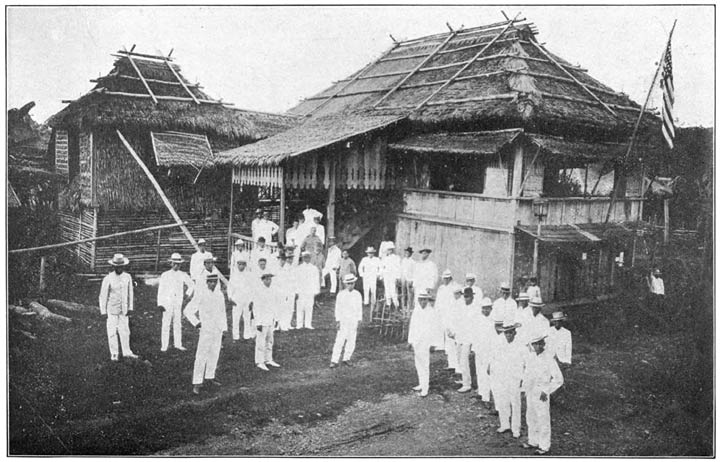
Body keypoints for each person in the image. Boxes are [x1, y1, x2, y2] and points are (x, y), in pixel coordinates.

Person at [184, 273, 227, 395]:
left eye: (215, 281)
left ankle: (210, 377)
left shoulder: (219, 295)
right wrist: (197, 323)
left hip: (217, 330)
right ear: (206, 282)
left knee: (214, 354)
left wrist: (224, 329)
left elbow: (223, 313)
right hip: (206, 330)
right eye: (210, 282)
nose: (213, 284)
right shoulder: (201, 294)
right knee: (201, 355)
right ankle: (197, 382)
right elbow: (187, 311)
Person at [522, 333, 564, 455]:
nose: (537, 346)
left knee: (543, 418)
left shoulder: (549, 359)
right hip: (531, 391)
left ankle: (544, 446)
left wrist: (546, 390)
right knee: (531, 417)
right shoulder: (531, 357)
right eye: (535, 344)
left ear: (544, 344)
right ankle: (533, 441)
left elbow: (558, 379)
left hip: (542, 392)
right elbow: (527, 374)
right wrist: (525, 389)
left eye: (540, 344)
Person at [99, 253, 138, 361]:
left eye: (121, 266)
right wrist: (103, 311)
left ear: (123, 266)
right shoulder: (108, 278)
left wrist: (130, 308)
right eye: (117, 266)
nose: (119, 268)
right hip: (112, 309)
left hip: (124, 309)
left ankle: (127, 352)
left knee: (125, 330)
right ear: (113, 266)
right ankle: (114, 353)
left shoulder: (127, 277)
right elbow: (103, 296)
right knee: (112, 331)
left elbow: (130, 293)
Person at [491, 320, 526, 438]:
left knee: (515, 403)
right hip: (502, 376)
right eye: (506, 333)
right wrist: (491, 368)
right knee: (502, 400)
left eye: (510, 332)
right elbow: (495, 358)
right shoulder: (500, 343)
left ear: (515, 333)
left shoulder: (521, 345)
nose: (508, 335)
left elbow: (526, 363)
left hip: (515, 377)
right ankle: (504, 424)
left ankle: (516, 429)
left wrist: (523, 377)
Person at [407, 291, 442, 397]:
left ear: (427, 300)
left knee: (425, 364)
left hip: (426, 342)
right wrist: (410, 341)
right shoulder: (416, 310)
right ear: (418, 300)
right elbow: (412, 326)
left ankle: (425, 388)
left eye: (425, 300)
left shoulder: (431, 312)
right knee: (418, 363)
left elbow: (435, 328)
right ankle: (421, 384)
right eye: (421, 300)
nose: (423, 302)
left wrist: (434, 344)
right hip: (417, 341)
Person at [157, 253, 194, 352]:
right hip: (167, 302)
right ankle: (164, 346)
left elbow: (191, 285)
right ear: (171, 263)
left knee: (177, 323)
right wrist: (160, 303)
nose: (176, 266)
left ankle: (178, 344)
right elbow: (161, 290)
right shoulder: (165, 275)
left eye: (178, 264)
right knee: (166, 323)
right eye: (174, 263)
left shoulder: (183, 275)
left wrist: (186, 295)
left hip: (178, 302)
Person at [330, 274, 363, 368]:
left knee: (351, 340)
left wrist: (359, 319)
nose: (350, 285)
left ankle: (346, 358)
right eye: (348, 283)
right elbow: (338, 308)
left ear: (354, 283)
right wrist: (338, 320)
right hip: (344, 320)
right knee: (340, 340)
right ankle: (334, 360)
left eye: (352, 283)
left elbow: (359, 308)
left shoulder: (357, 294)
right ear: (345, 284)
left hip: (353, 320)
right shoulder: (341, 295)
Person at [252, 272, 282, 371]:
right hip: (262, 320)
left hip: (270, 319)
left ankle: (268, 359)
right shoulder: (258, 291)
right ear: (263, 280)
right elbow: (256, 308)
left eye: (270, 279)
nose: (269, 281)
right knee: (261, 342)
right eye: (267, 279)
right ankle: (259, 361)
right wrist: (258, 322)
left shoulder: (273, 291)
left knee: (270, 341)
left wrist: (276, 318)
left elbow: (275, 305)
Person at [470, 297, 496, 408]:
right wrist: (473, 349)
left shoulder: (493, 321)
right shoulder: (478, 320)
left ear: (491, 309)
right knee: (479, 372)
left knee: (486, 374)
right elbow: (475, 335)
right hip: (479, 350)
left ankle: (486, 398)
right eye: (484, 308)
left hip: (488, 351)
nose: (486, 310)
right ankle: (481, 393)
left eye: (488, 308)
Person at [453, 287, 478, 393]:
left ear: (472, 296)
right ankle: (464, 379)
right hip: (460, 337)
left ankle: (467, 384)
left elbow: (476, 326)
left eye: (468, 296)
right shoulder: (461, 307)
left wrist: (473, 342)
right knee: (459, 359)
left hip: (469, 338)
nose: (466, 298)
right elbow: (457, 321)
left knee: (464, 361)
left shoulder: (475, 309)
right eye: (465, 296)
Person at [436, 270, 460, 371]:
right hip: (444, 316)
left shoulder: (456, 287)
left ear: (450, 278)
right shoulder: (441, 288)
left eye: (447, 278)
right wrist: (437, 313)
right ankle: (451, 364)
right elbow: (438, 303)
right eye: (444, 278)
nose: (445, 280)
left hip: (453, 316)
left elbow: (457, 302)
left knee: (454, 338)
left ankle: (457, 365)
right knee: (448, 339)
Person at [228, 256, 255, 340]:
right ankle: (235, 336)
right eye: (239, 264)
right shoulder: (234, 275)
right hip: (237, 299)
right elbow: (230, 287)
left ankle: (247, 335)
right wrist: (230, 298)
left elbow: (252, 288)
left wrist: (251, 300)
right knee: (236, 318)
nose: (241, 266)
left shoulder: (249, 275)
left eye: (243, 265)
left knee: (247, 317)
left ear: (245, 265)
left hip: (247, 299)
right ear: (237, 265)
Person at [295, 251, 320, 329]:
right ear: (303, 258)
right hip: (301, 290)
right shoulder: (299, 268)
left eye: (308, 257)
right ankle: (299, 324)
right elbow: (296, 280)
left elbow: (316, 280)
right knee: (300, 307)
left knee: (309, 307)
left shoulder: (314, 268)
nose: (306, 259)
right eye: (305, 257)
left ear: (310, 258)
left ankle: (308, 324)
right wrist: (296, 291)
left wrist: (316, 290)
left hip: (310, 290)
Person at [275, 252, 297, 331]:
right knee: (278, 308)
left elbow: (290, 281)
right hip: (278, 291)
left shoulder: (288, 268)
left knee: (287, 308)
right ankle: (277, 325)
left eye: (284, 260)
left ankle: (286, 324)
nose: (282, 261)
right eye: (281, 259)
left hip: (287, 290)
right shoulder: (275, 269)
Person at [380, 243, 401, 309]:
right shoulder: (385, 259)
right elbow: (382, 268)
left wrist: (398, 277)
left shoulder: (396, 258)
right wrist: (381, 276)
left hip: (393, 275)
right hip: (386, 275)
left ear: (392, 250)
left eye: (390, 250)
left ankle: (396, 305)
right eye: (387, 250)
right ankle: (388, 304)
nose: (388, 251)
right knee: (387, 290)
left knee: (393, 290)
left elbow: (398, 268)